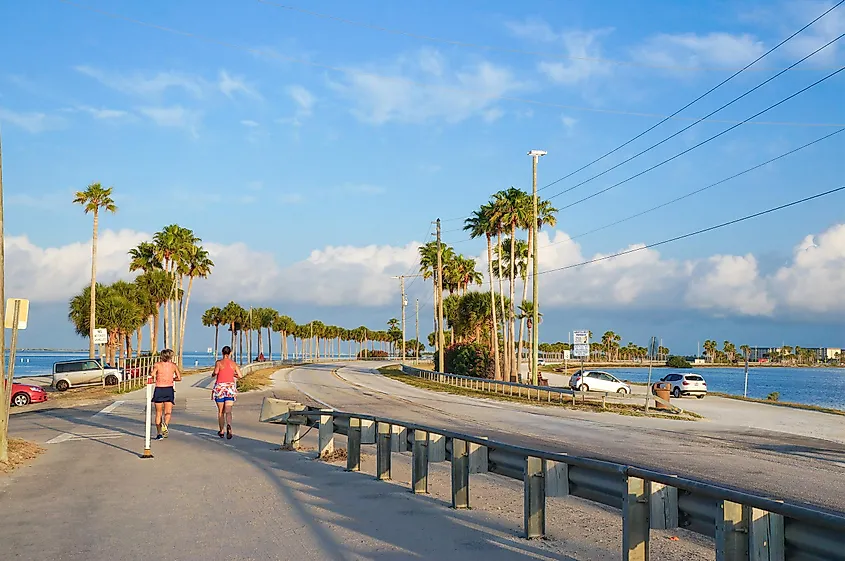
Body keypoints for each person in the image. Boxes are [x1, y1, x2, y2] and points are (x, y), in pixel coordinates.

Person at [150, 349, 181, 440]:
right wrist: (172, 379)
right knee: (168, 412)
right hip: (169, 388)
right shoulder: (173, 366)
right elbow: (179, 378)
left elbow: (152, 374)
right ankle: (165, 425)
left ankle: (159, 433)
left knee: (158, 412)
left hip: (159, 388)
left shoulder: (157, 365)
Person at [212, 345, 242, 439]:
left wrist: (213, 374)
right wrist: (233, 375)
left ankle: (221, 431)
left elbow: (216, 372)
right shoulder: (233, 363)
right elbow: (240, 375)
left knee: (221, 411)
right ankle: (229, 426)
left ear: (222, 353)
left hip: (220, 388)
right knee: (228, 411)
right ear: (230, 353)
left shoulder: (219, 363)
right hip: (230, 388)